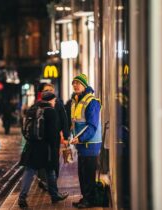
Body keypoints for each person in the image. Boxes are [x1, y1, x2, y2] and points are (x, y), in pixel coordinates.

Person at [18, 91, 69, 208]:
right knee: (50, 171)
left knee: (29, 171)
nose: (55, 102)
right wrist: (55, 146)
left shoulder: (33, 108)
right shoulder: (51, 111)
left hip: (31, 146)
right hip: (46, 147)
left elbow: (25, 127)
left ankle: (22, 197)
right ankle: (54, 195)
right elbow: (53, 133)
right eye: (54, 101)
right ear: (51, 100)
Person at [70, 74, 102, 208]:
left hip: (90, 144)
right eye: (74, 83)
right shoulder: (76, 100)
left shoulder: (92, 101)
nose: (75, 85)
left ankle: (90, 200)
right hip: (81, 144)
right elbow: (75, 122)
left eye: (78, 83)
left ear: (84, 85)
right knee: (82, 173)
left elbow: (92, 125)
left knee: (88, 173)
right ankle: (86, 198)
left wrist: (81, 138)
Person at [37, 83, 70, 191]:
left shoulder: (58, 104)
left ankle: (53, 182)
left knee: (54, 159)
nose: (49, 92)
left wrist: (66, 136)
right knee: (42, 159)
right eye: (46, 90)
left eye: (51, 90)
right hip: (41, 138)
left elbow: (65, 120)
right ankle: (44, 180)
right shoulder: (38, 104)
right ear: (42, 92)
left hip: (55, 137)